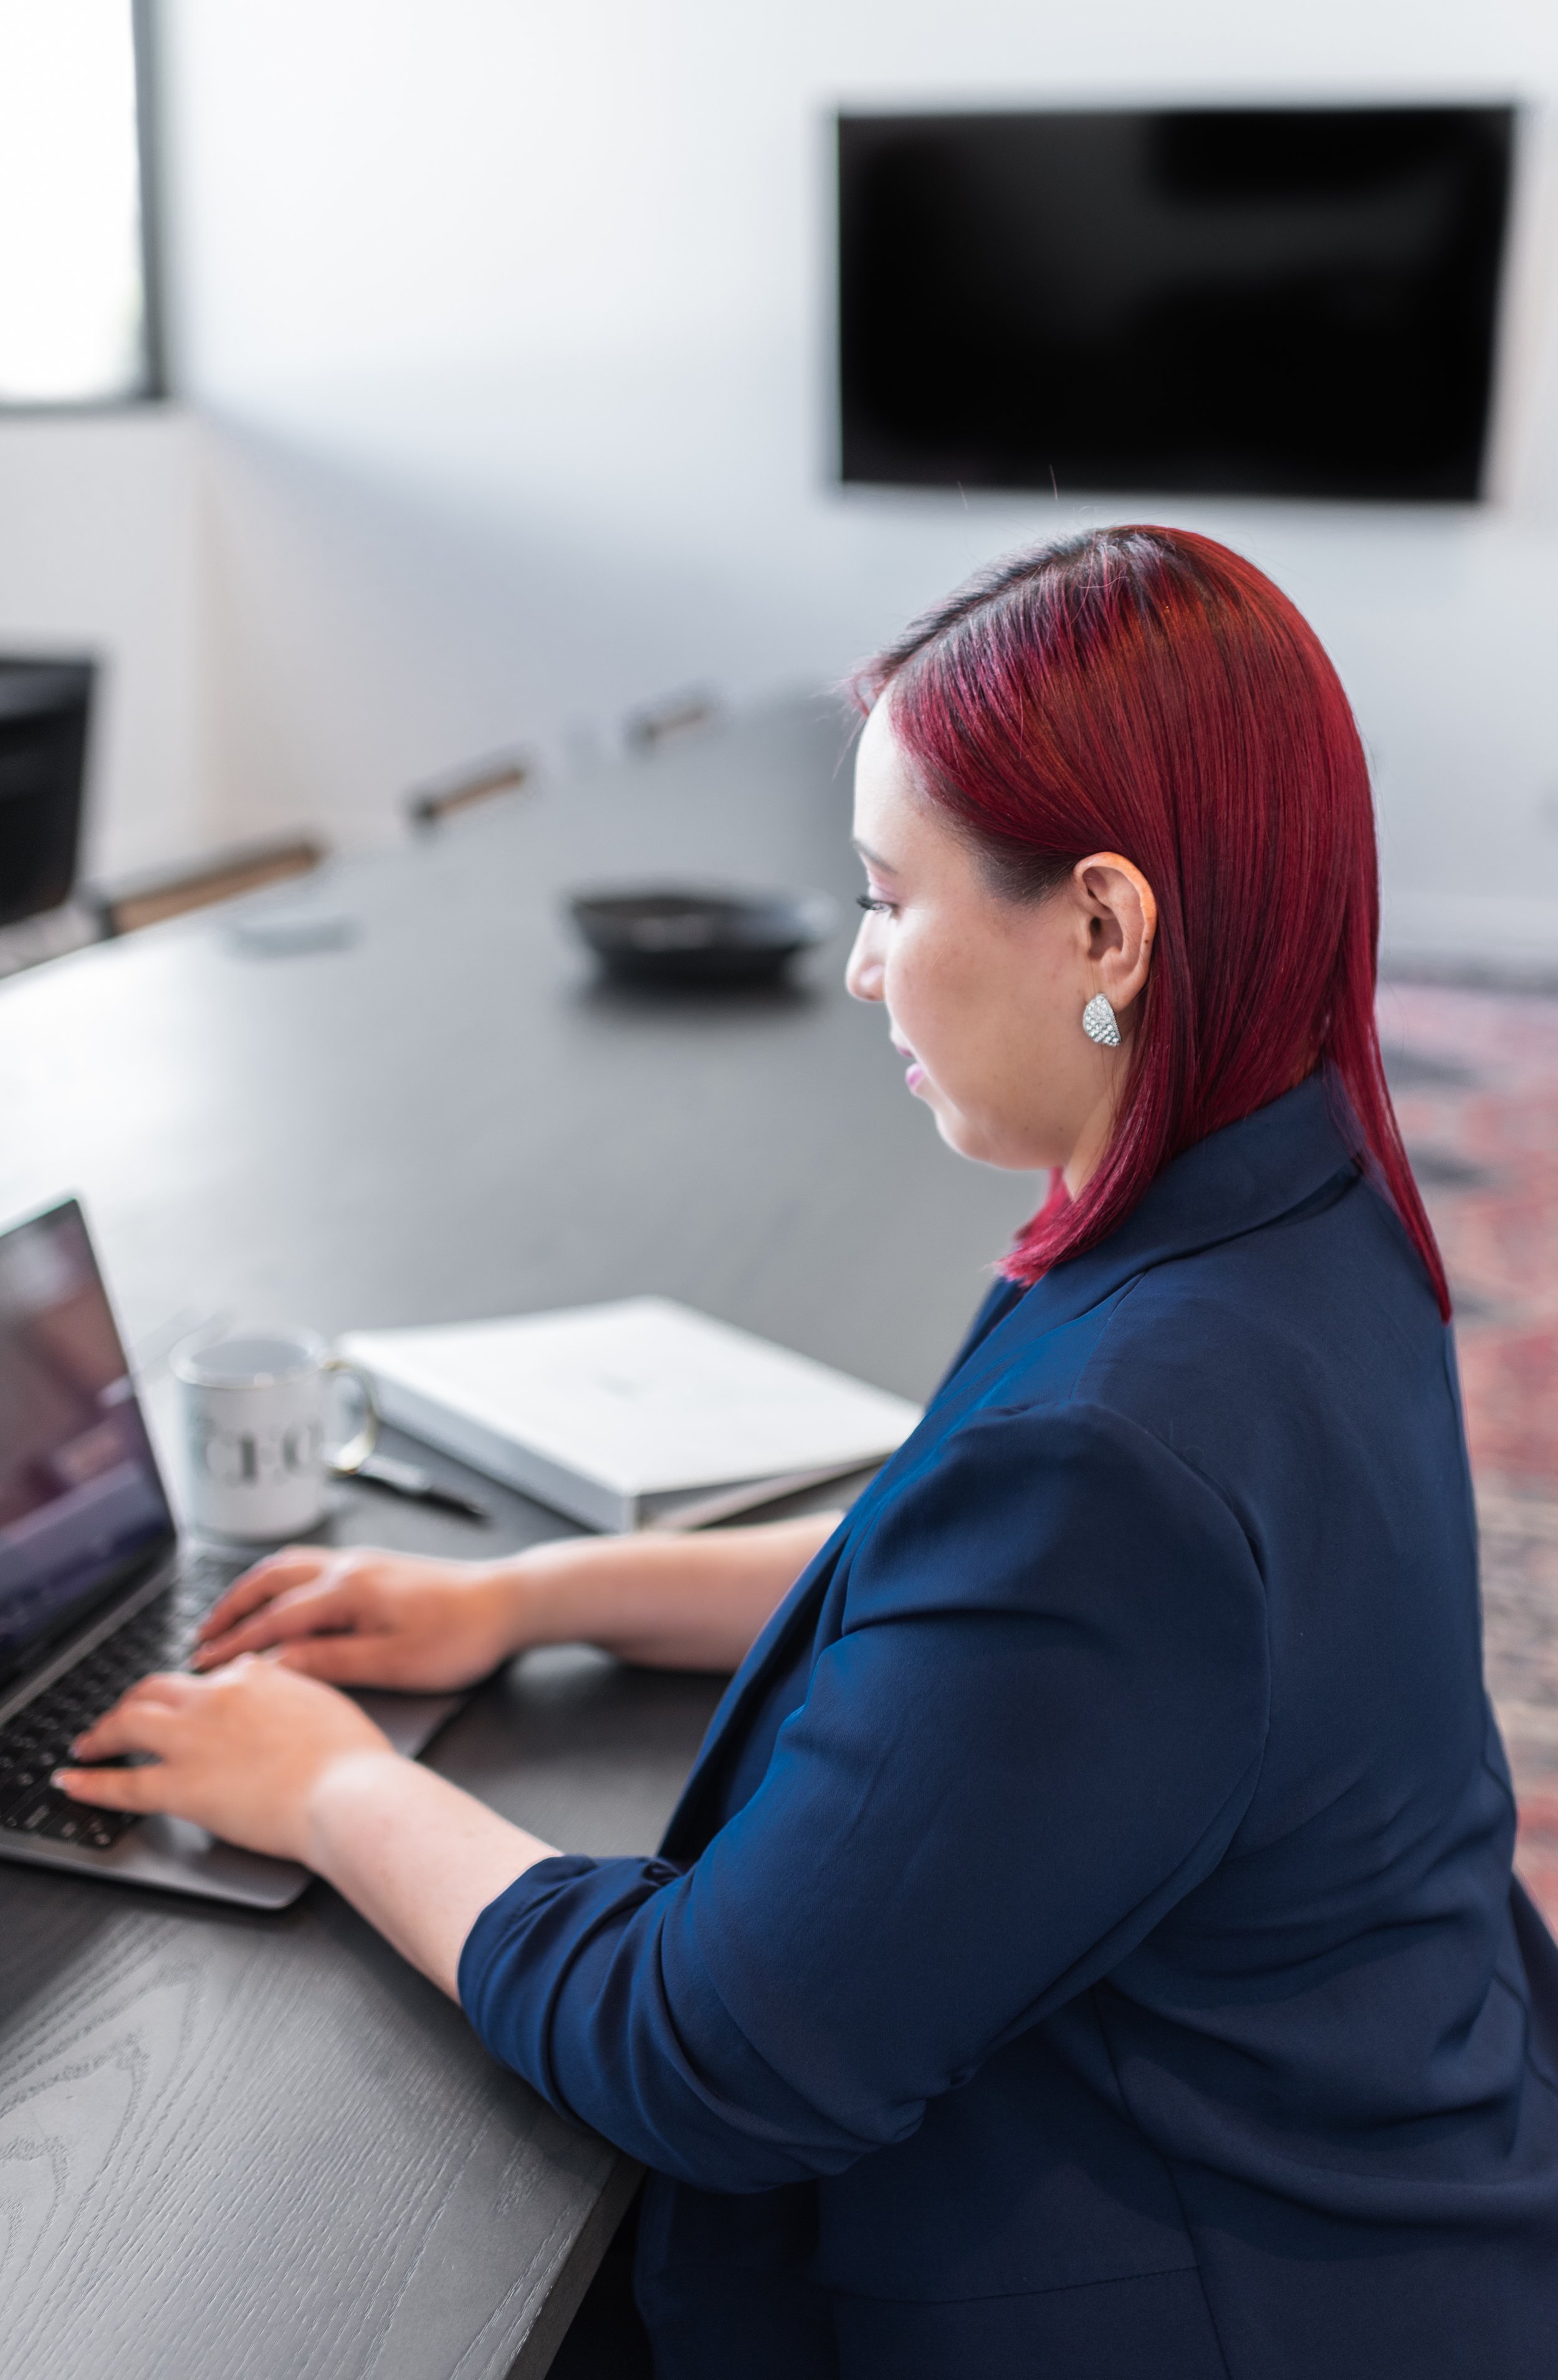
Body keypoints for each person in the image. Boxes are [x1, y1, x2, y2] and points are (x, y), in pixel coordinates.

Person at [60, 528, 1558, 2378]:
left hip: (1205, 2292)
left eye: (884, 894)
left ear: (1103, 923)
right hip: (1390, 2153)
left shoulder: (1126, 1458)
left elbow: (704, 2053)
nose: (859, 968)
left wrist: (327, 1790)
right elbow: (967, 1583)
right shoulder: (1290, 1201)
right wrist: (518, 1597)